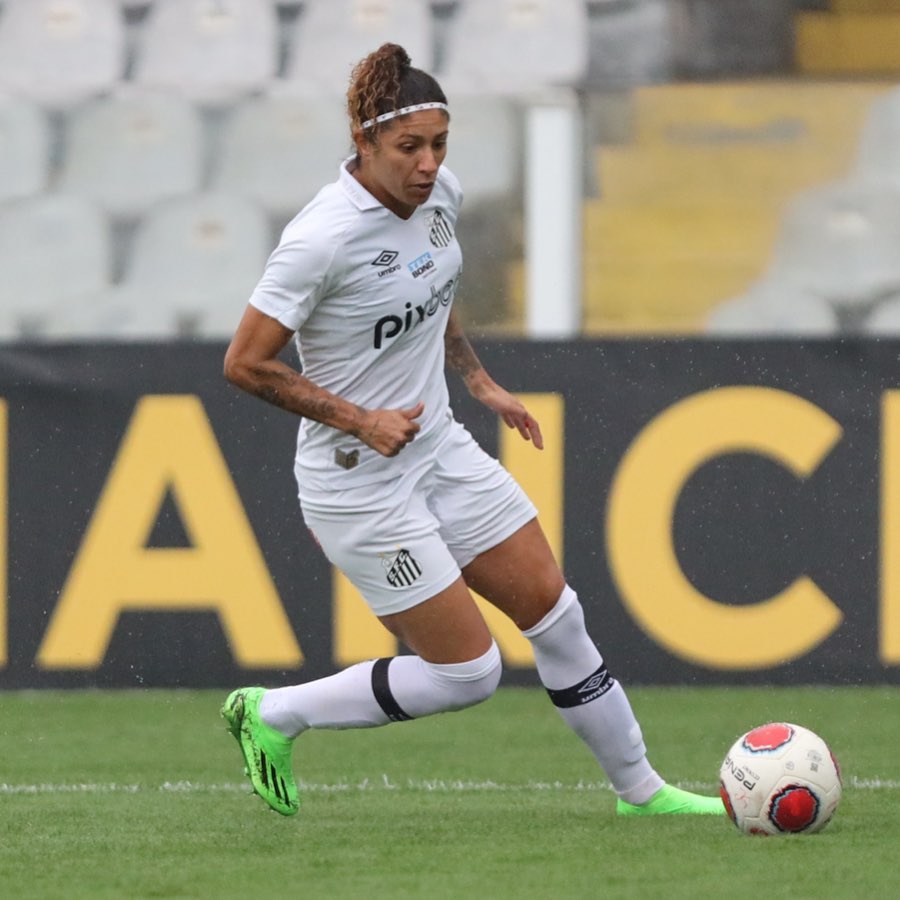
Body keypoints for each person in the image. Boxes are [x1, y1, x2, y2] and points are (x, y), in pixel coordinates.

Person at [220, 42, 724, 819]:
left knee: (558, 615)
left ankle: (641, 793)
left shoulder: (440, 196)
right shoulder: (320, 239)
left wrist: (478, 379)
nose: (428, 164)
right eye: (409, 147)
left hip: (439, 447)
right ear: (364, 141)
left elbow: (437, 284)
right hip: (358, 481)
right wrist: (363, 417)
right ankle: (272, 713)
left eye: (439, 144)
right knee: (468, 675)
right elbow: (245, 364)